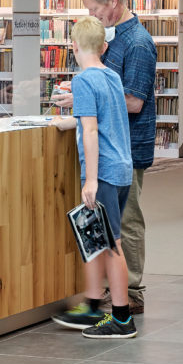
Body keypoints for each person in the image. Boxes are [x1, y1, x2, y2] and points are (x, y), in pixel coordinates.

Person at [54, 19, 138, 338]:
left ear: (74, 47)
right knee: (100, 240)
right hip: (121, 169)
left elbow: (91, 131)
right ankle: (94, 309)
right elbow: (101, 120)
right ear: (104, 47)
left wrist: (90, 180)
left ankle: (121, 318)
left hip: (102, 173)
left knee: (112, 243)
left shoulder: (83, 81)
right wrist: (70, 122)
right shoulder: (111, 76)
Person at [80, 0, 156, 315]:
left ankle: (133, 290)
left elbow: (134, 101)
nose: (93, 17)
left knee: (127, 221)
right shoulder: (110, 39)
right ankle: (113, 288)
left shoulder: (137, 43)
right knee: (113, 222)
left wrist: (89, 102)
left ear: (113, 2)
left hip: (128, 147)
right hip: (113, 144)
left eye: (95, 10)